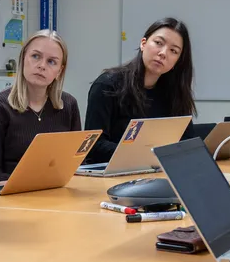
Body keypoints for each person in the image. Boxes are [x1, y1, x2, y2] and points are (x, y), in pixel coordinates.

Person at [84, 17, 196, 164]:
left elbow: (187, 144)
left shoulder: (176, 94)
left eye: (173, 51)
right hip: (113, 175)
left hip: (159, 173)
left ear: (177, 61)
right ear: (143, 44)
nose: (163, 53)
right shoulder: (107, 85)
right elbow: (94, 147)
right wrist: (144, 155)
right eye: (158, 43)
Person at [0, 30, 81, 183]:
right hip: (13, 199)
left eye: (51, 61)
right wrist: (34, 185)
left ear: (60, 71)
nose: (42, 66)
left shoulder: (68, 105)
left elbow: (76, 164)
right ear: (23, 58)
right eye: (35, 56)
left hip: (57, 196)